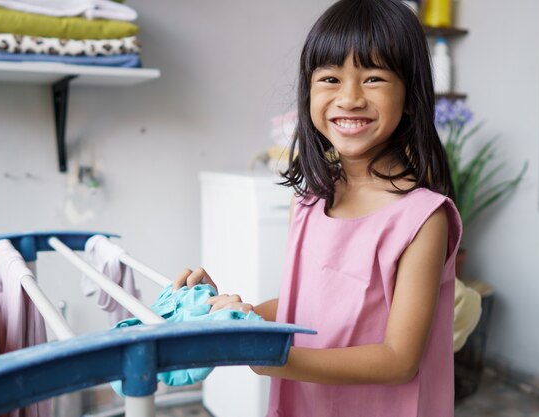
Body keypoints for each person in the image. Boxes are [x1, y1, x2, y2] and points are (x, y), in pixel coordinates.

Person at [174, 0, 462, 415]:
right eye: (330, 78)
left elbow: (400, 359)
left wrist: (276, 357)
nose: (349, 97)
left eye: (374, 78)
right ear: (308, 92)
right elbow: (305, 304)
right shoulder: (307, 202)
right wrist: (235, 317)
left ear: (411, 97)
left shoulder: (423, 219)